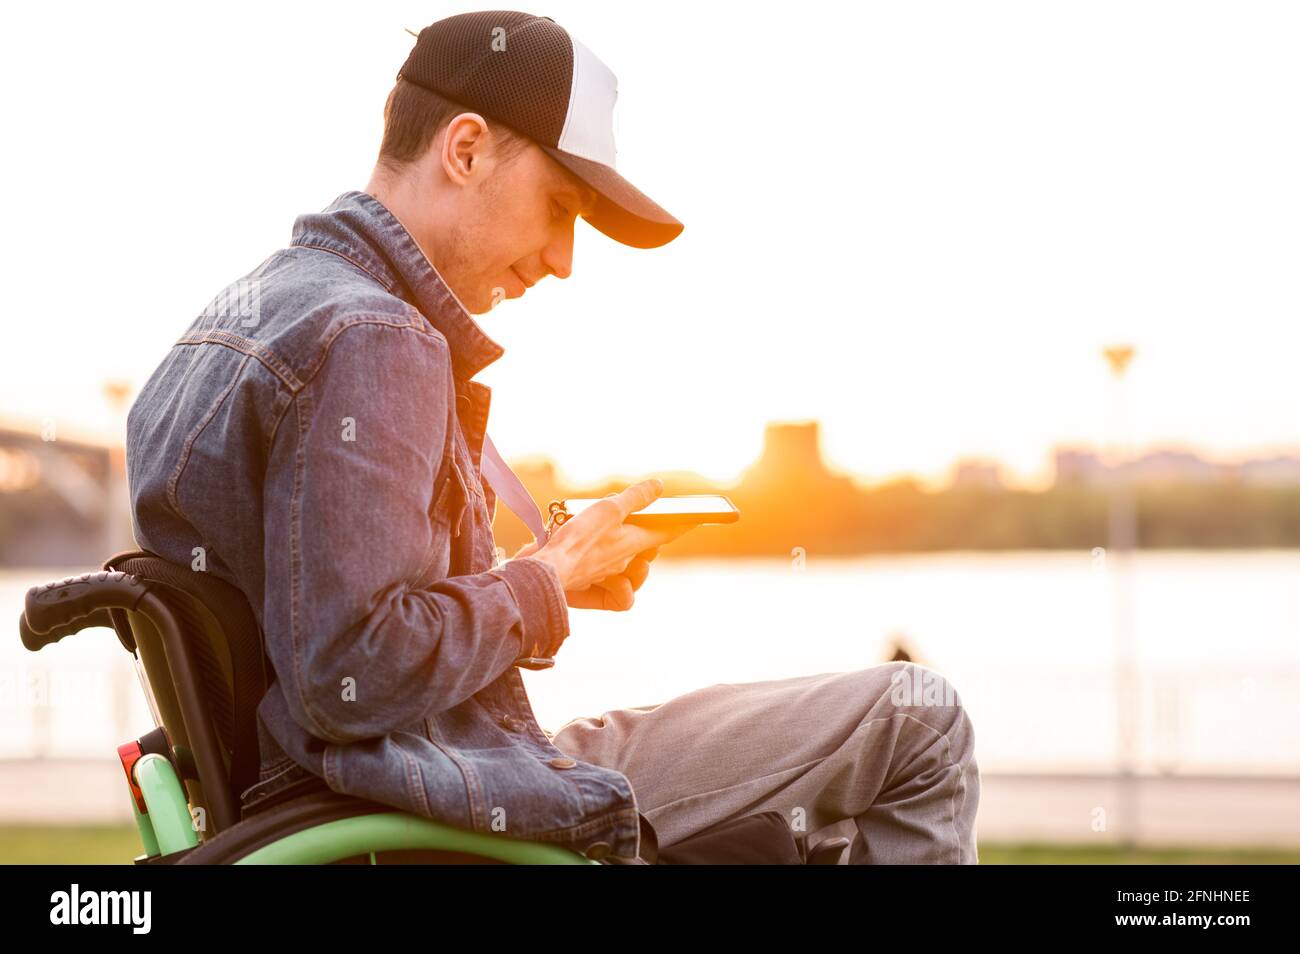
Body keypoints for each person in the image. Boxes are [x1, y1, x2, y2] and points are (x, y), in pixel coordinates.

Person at [125, 10, 979, 864]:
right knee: (919, 721)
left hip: (366, 792)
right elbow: (351, 674)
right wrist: (546, 580)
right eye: (560, 206)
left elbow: (320, 627)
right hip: (421, 800)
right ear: (463, 149)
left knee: (820, 816)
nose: (565, 259)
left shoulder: (234, 322)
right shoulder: (375, 338)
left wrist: (546, 584)